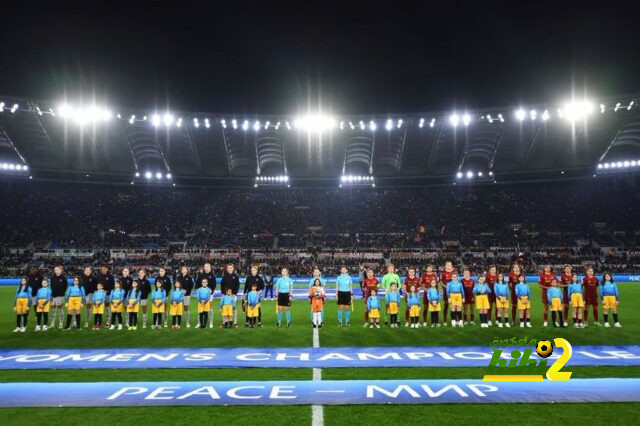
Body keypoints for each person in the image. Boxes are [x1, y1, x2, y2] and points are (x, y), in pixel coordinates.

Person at [195, 263, 216, 328]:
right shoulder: (200, 275)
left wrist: (211, 291)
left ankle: (211, 323)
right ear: (204, 267)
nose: (206, 267)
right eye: (205, 266)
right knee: (200, 310)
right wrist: (197, 290)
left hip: (209, 295)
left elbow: (214, 285)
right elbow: (197, 284)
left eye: (208, 266)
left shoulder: (212, 275)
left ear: (210, 267)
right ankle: (199, 323)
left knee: (210, 309)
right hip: (201, 296)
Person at [49, 265, 67, 329]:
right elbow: (51, 287)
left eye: (58, 270)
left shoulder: (63, 278)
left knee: (60, 310)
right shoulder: (52, 278)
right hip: (53, 296)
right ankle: (52, 323)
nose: (56, 271)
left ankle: (61, 323)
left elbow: (65, 287)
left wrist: (61, 292)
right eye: (55, 270)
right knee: (53, 310)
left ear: (60, 270)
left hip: (60, 296)